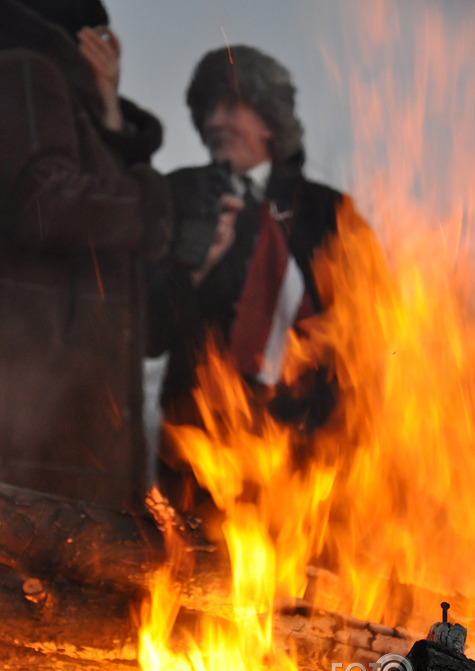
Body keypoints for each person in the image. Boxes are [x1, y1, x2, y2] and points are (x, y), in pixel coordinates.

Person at [146, 45, 346, 513]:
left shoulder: (329, 211)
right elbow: (146, 334)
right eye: (207, 109)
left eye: (231, 105)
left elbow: (368, 336)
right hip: (195, 453)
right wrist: (190, 270)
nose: (215, 121)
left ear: (270, 119)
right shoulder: (173, 196)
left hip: (308, 459)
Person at [0, 0, 171, 514]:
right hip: (36, 437)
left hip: (71, 434)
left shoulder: (66, 100)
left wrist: (109, 111)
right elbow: (43, 201)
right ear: (81, 39)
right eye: (99, 34)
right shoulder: (26, 70)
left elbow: (99, 220)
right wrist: (155, 201)